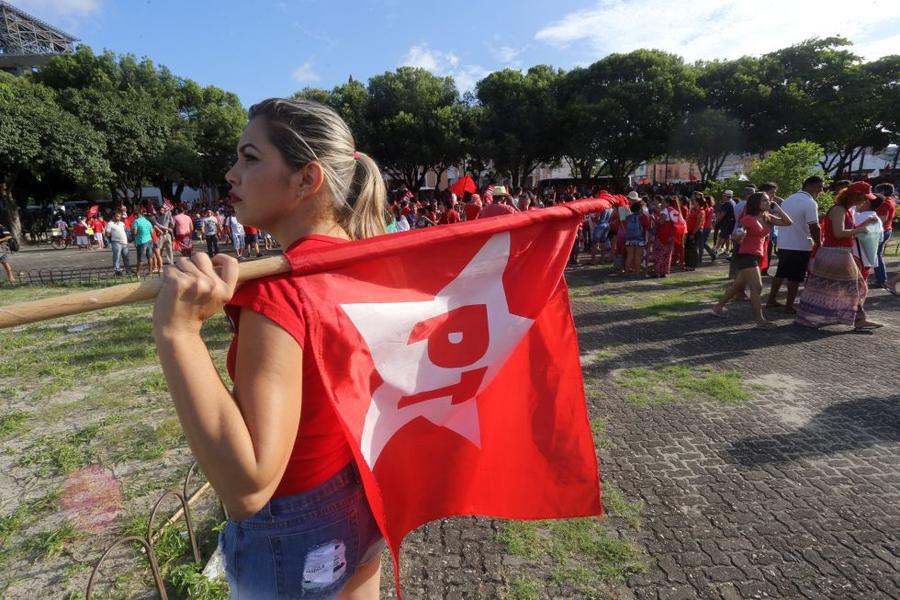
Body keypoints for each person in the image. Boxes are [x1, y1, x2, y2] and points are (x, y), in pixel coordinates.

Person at [153, 98, 385, 599]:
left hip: (294, 533)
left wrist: (179, 332)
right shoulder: (367, 262)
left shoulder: (280, 290)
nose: (231, 173)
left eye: (250, 157)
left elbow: (248, 485)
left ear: (307, 180)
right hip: (361, 494)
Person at [795, 181, 883, 332]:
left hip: (837, 253)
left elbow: (842, 232)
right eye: (863, 197)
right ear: (855, 196)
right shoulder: (840, 210)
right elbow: (839, 233)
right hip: (836, 254)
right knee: (854, 287)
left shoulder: (845, 210)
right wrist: (861, 229)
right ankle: (858, 320)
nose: (866, 201)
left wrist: (864, 224)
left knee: (825, 288)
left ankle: (809, 317)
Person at [712, 192, 792, 328]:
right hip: (746, 254)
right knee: (757, 287)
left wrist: (777, 207)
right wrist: (739, 235)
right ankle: (759, 320)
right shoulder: (748, 218)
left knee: (737, 285)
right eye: (765, 201)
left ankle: (718, 307)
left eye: (768, 200)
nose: (768, 202)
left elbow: (788, 222)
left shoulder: (768, 217)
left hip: (757, 255)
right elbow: (736, 236)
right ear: (756, 203)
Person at [766, 176, 824, 314]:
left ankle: (771, 300)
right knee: (795, 277)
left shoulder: (789, 199)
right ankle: (789, 306)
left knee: (780, 273)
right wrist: (819, 243)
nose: (821, 190)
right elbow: (814, 226)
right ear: (809, 185)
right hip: (800, 244)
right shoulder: (810, 202)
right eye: (819, 186)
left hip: (784, 242)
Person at [873, 183, 896, 289]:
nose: (875, 193)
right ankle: (881, 279)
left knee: (876, 256)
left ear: (882, 191)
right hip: (887, 229)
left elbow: (882, 219)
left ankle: (881, 280)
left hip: (882, 230)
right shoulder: (891, 200)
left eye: (877, 190)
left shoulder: (884, 203)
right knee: (878, 255)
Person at [623, 200, 650, 275]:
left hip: (629, 239)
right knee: (638, 256)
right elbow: (647, 227)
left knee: (629, 256)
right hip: (640, 239)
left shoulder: (628, 217)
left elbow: (625, 226)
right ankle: (637, 272)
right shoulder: (644, 217)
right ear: (640, 208)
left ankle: (626, 272)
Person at [104, 212, 130, 276]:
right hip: (116, 242)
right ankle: (117, 271)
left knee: (126, 257)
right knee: (116, 257)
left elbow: (124, 230)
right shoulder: (110, 224)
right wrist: (112, 236)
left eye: (119, 216)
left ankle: (128, 270)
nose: (119, 217)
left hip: (124, 242)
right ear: (114, 217)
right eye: (117, 216)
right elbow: (107, 233)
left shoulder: (122, 223)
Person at [131, 208, 154, 277]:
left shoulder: (136, 221)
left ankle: (137, 273)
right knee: (150, 257)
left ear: (137, 215)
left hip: (141, 242)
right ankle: (150, 272)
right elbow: (152, 232)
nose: (134, 217)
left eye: (134, 215)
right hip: (149, 240)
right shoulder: (147, 221)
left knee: (140, 259)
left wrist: (133, 232)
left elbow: (135, 232)